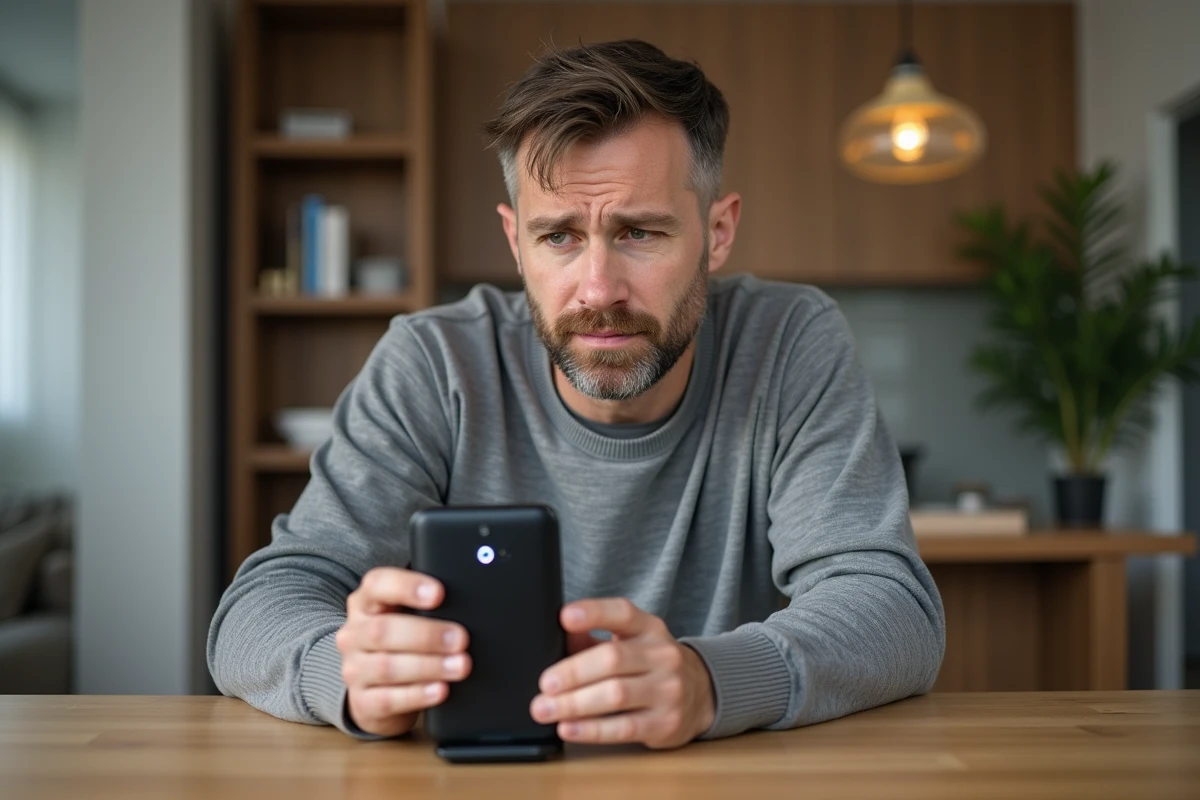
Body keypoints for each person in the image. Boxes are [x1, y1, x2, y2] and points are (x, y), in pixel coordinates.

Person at [208, 39, 945, 749]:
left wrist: (707, 682)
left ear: (717, 232)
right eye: (558, 237)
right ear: (514, 243)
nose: (598, 290)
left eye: (640, 233)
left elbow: (893, 607)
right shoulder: (435, 364)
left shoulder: (788, 342)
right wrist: (347, 676)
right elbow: (255, 611)